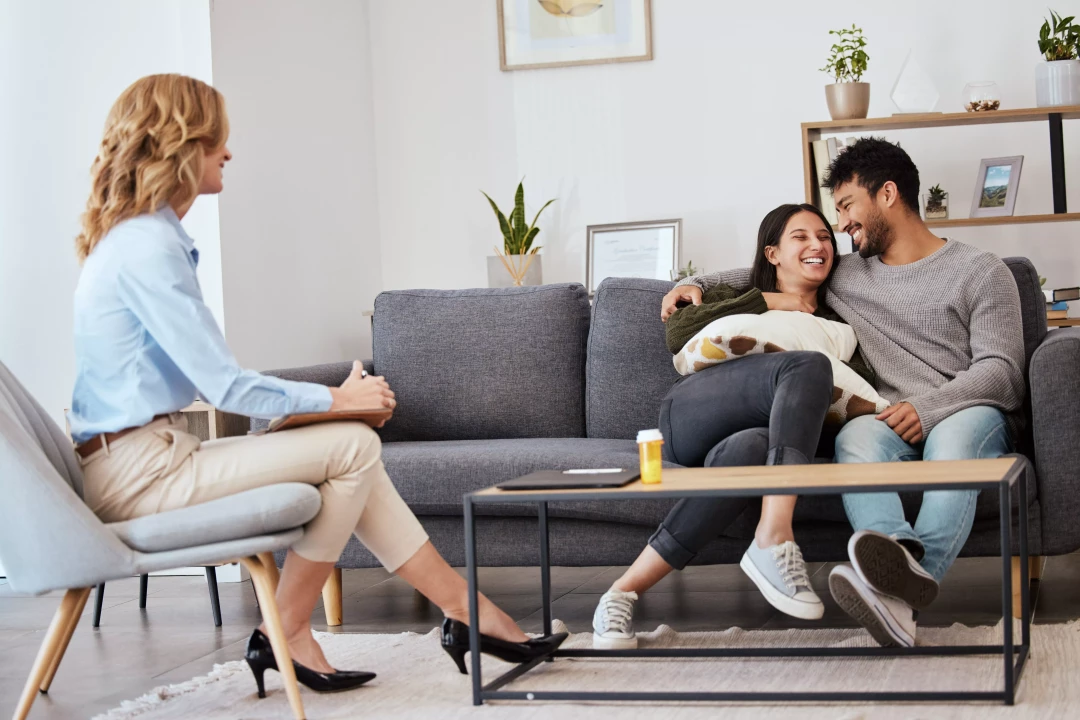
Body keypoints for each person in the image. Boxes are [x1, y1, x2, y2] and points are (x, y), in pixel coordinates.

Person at [69, 74, 564, 698]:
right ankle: (292, 629)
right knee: (353, 446)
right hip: (139, 473)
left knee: (352, 452)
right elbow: (224, 386)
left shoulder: (141, 239)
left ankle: (468, 615)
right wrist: (339, 400)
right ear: (181, 144)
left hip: (151, 458)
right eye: (218, 138)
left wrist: (326, 409)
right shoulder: (146, 247)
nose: (228, 152)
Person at [669, 138, 1026, 649]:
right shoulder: (846, 273)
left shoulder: (983, 271)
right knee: (855, 439)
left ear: (886, 194)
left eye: (845, 207)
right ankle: (894, 563)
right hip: (885, 418)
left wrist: (928, 408)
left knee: (955, 441)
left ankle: (901, 593)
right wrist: (697, 285)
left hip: (967, 409)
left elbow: (1003, 371)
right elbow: (775, 268)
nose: (840, 226)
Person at [592, 203, 875, 649]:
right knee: (806, 366)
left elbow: (853, 397)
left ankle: (620, 592)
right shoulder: (743, 299)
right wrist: (771, 300)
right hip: (698, 413)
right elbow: (678, 331)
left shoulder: (838, 327)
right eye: (800, 237)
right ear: (772, 254)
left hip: (760, 437)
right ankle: (775, 535)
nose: (817, 245)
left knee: (748, 450)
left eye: (824, 236)